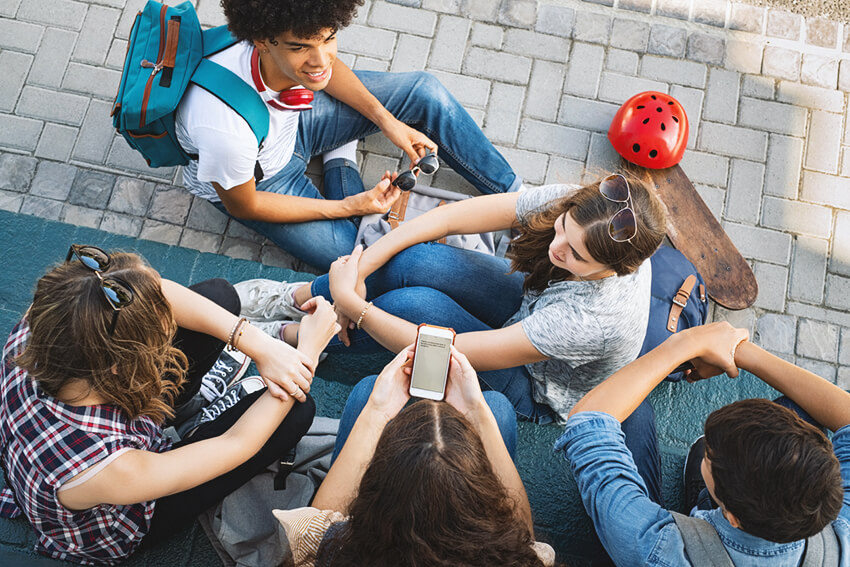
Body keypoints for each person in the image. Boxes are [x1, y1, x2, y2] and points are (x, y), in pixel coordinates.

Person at [239, 173, 667, 500]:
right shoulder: (588, 209)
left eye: (575, 254)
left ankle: (298, 335)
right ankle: (298, 298)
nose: (558, 247)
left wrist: (355, 306)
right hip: (532, 307)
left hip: (537, 384)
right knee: (418, 258)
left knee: (414, 309)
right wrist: (361, 270)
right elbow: (449, 217)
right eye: (561, 229)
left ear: (613, 269)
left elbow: (444, 349)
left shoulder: (594, 317)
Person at [0, 245, 339, 565]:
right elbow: (235, 445)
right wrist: (306, 352)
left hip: (100, 421)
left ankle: (189, 413)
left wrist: (261, 346)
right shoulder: (108, 469)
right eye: (160, 342)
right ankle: (191, 431)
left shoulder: (55, 317)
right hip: (124, 513)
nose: (167, 341)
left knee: (219, 295)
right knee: (295, 412)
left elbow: (157, 291)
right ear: (122, 366)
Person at [175, 0, 521, 271]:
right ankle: (340, 160)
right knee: (363, 260)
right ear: (261, 42)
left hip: (293, 124)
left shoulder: (287, 42)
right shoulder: (224, 129)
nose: (320, 58)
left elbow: (324, 72)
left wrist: (388, 121)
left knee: (423, 91)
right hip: (261, 182)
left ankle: (523, 201)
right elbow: (245, 205)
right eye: (300, 48)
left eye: (328, 39)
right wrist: (345, 206)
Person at [555, 321, 848, 566]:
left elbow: (589, 421)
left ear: (732, 516)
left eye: (710, 456)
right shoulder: (841, 534)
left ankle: (701, 505)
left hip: (683, 550)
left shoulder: (660, 549)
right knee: (802, 408)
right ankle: (708, 498)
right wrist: (740, 352)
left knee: (633, 413)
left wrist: (686, 343)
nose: (710, 448)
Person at [273, 346, 554, 566]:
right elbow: (523, 536)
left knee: (365, 391)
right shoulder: (518, 558)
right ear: (482, 493)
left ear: (375, 485)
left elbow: (323, 522)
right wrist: (477, 411)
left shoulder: (334, 550)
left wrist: (377, 411)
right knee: (498, 407)